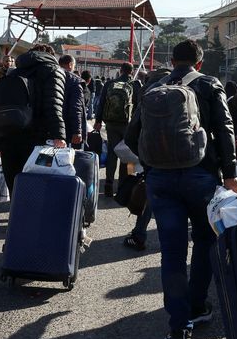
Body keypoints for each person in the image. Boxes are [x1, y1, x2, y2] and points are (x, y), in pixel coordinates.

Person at [124, 39, 237, 339]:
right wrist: (229, 173)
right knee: (204, 242)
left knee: (172, 253)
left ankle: (178, 329)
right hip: (201, 176)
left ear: (172, 60)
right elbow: (225, 128)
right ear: (199, 63)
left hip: (161, 180)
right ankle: (198, 305)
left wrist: (151, 165)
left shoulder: (154, 86)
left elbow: (132, 136)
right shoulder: (208, 84)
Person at [0, 44, 67, 195]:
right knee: (38, 183)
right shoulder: (54, 71)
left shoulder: (12, 73)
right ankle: (32, 216)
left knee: (15, 186)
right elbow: (54, 104)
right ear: (51, 56)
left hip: (7, 136)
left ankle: (18, 215)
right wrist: (59, 135)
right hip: (39, 138)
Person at [123, 67, 170, 252]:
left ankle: (139, 235)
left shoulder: (148, 92)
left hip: (153, 157)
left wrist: (143, 156)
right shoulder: (188, 88)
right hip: (184, 157)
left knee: (150, 197)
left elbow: (130, 134)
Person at [94, 62, 142, 197]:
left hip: (111, 124)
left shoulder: (110, 84)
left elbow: (102, 102)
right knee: (129, 156)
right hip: (129, 125)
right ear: (131, 72)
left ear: (120, 71)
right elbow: (139, 105)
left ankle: (109, 184)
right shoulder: (136, 84)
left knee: (112, 153)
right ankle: (125, 185)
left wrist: (98, 120)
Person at [58, 54, 85, 148]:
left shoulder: (51, 77)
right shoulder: (74, 81)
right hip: (66, 125)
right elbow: (76, 107)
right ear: (70, 64)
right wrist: (77, 131)